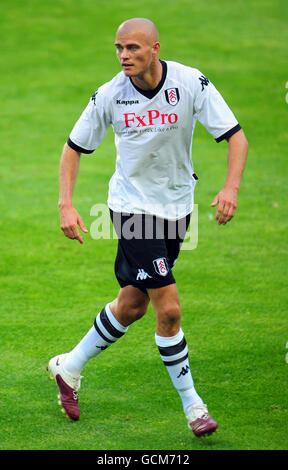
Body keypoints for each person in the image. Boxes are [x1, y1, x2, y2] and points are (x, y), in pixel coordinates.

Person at [47, 17, 248, 438]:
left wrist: (230, 187)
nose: (124, 56)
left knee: (132, 306)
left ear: (155, 48)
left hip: (177, 207)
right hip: (132, 210)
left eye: (133, 48)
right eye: (119, 48)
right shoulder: (109, 95)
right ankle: (195, 408)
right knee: (168, 309)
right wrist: (66, 205)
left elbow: (235, 136)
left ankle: (69, 366)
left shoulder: (191, 82)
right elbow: (72, 148)